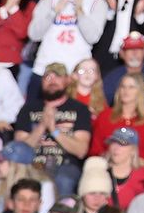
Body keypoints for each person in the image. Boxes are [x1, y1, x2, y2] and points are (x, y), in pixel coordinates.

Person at [18, 63, 94, 196]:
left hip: (65, 165)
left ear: (67, 80)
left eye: (57, 76)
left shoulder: (79, 109)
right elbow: (19, 151)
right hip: (34, 164)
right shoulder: (28, 109)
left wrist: (54, 130)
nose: (52, 80)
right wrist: (42, 126)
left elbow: (81, 150)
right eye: (48, 77)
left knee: (64, 181)